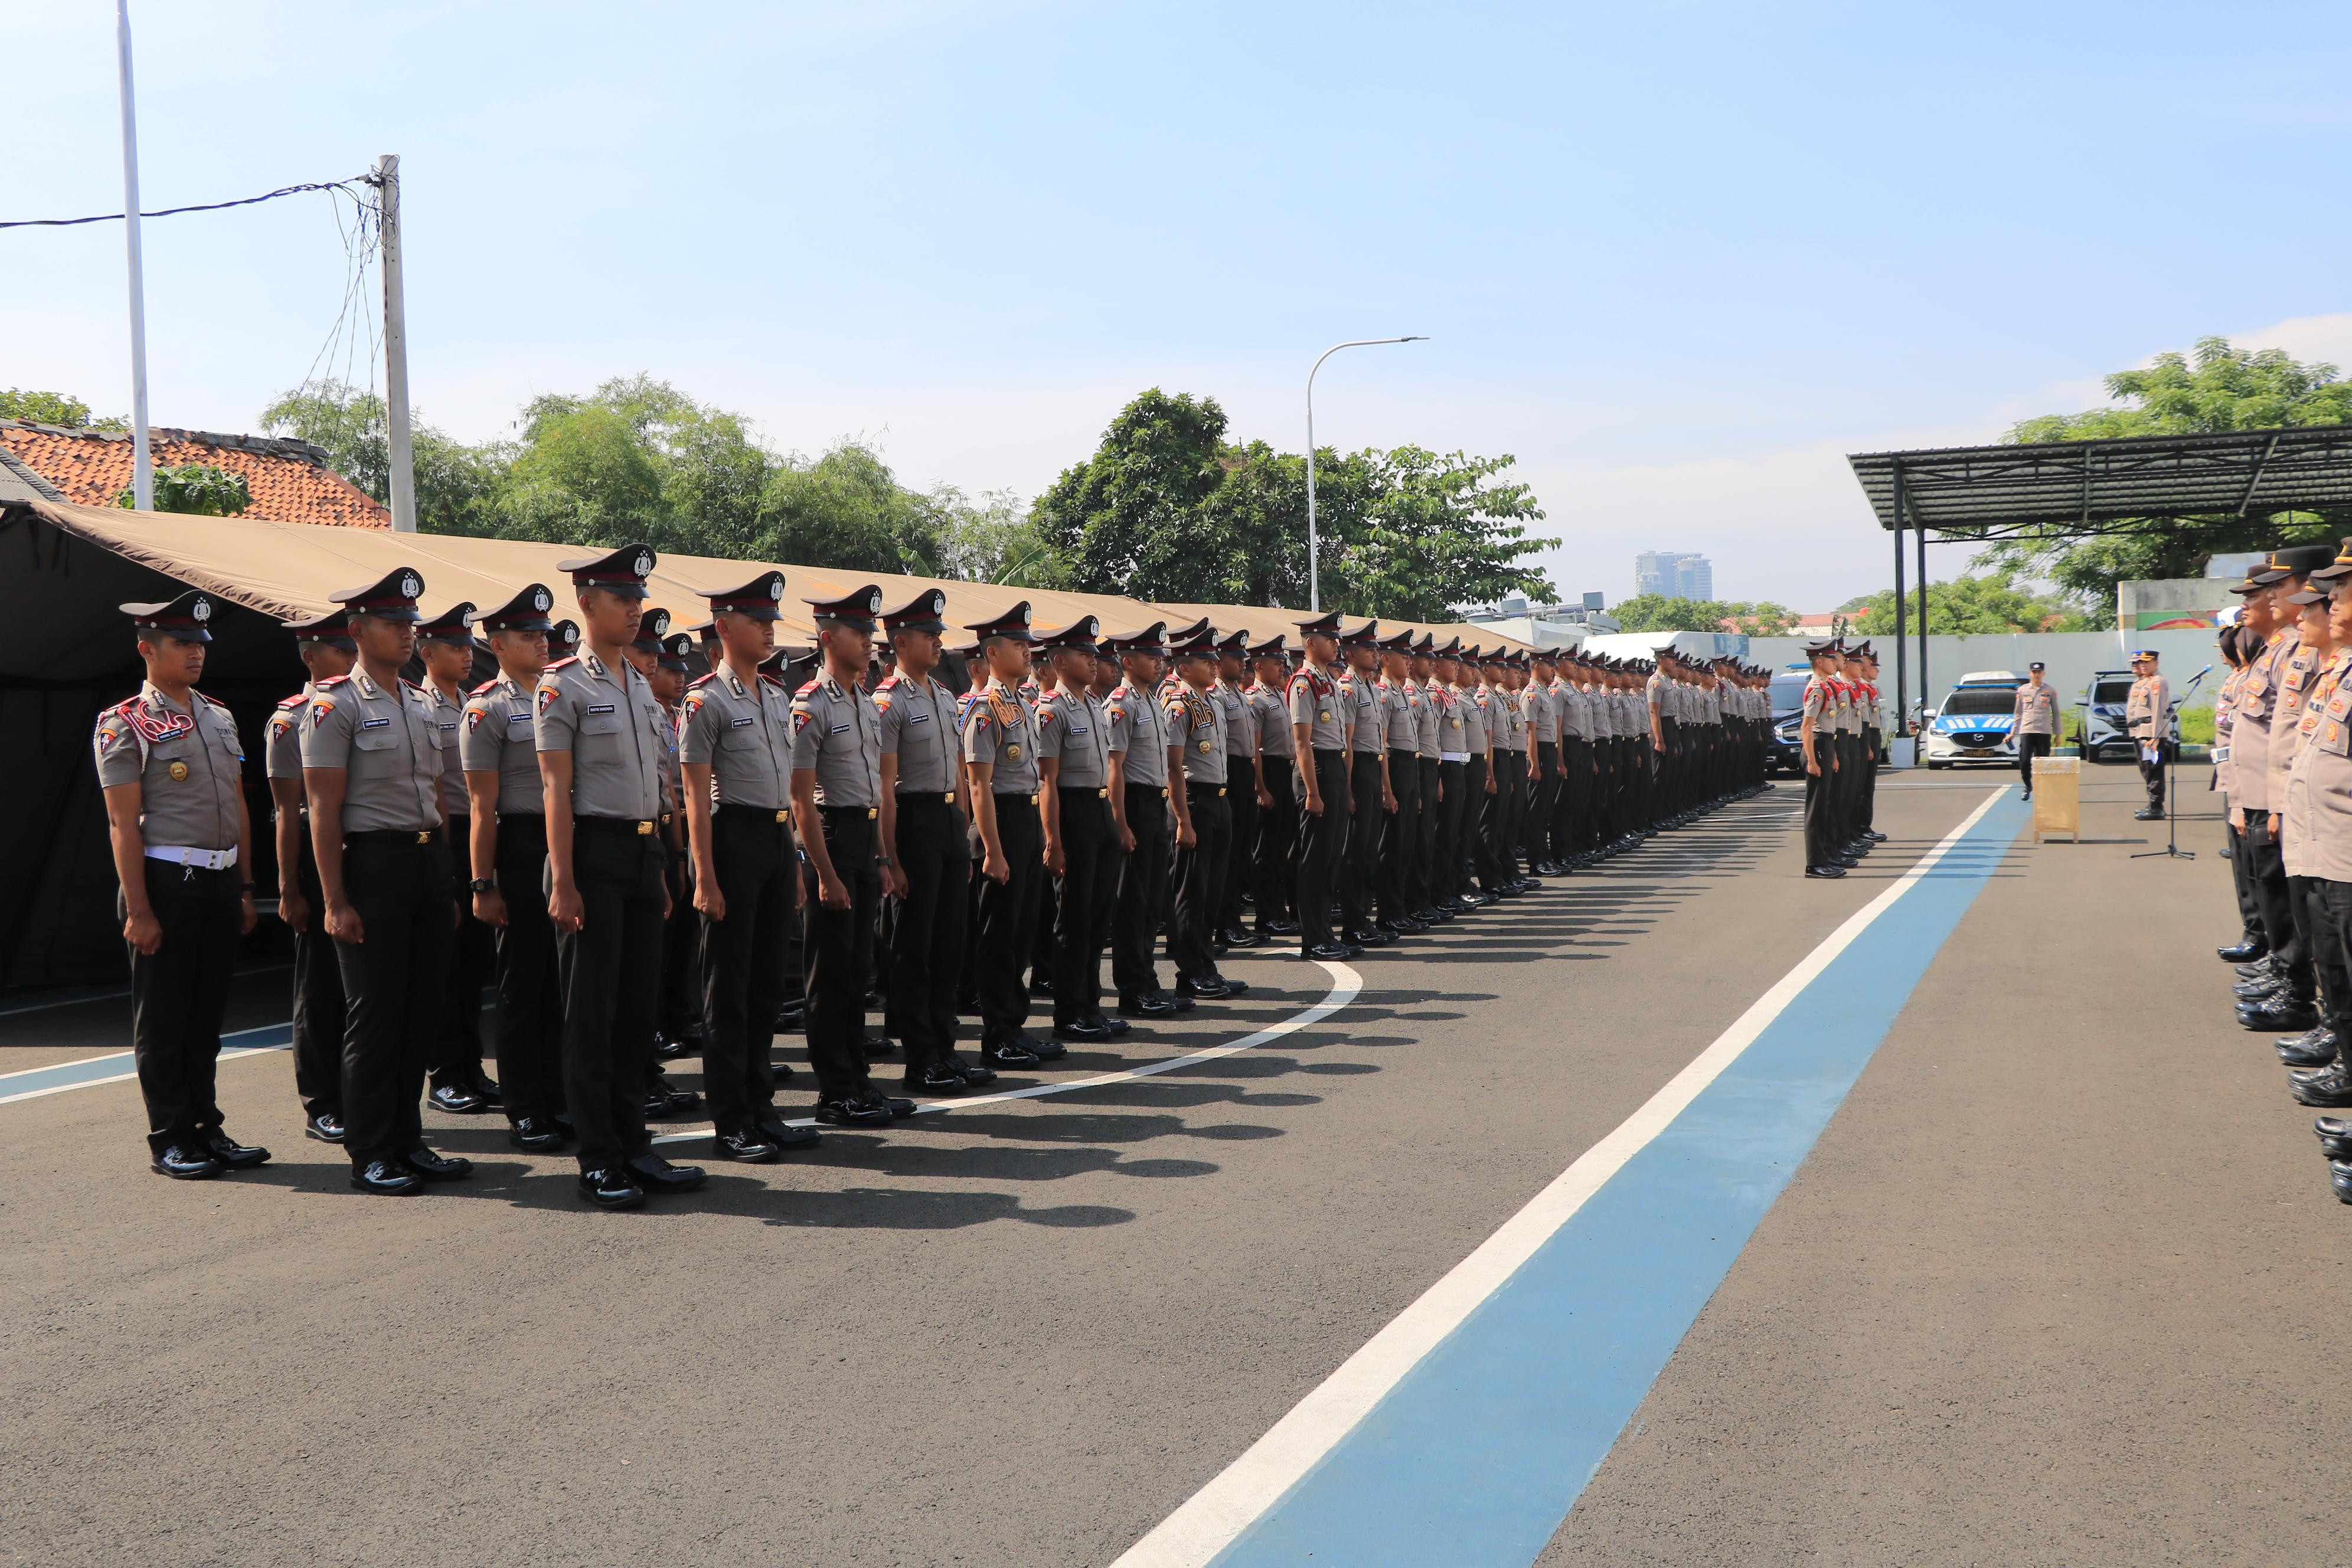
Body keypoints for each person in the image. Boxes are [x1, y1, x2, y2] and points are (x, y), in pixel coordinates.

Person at [536, 545, 708, 1210]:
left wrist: (661, 868)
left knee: (637, 1011)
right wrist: (563, 878)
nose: (635, 611)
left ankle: (636, 1144)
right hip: (592, 853)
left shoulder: (639, 684)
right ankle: (599, 1157)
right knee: (592, 1013)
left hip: (641, 857)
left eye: (638, 599)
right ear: (586, 604)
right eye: (622, 600)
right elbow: (556, 788)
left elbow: (659, 788)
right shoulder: (562, 686)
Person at [300, 569, 470, 1195]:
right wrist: (335, 898)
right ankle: (370, 1148)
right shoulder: (334, 705)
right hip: (371, 866)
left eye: (410, 624)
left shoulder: (424, 704)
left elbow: (439, 798)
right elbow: (322, 808)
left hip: (426, 864)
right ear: (356, 630)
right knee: (374, 1016)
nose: (407, 633)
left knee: (421, 1011)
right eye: (393, 624)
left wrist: (448, 880)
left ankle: (408, 1138)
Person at [94, 590, 266, 1180]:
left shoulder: (217, 714)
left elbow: (239, 804)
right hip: (166, 879)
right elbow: (122, 821)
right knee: (164, 1018)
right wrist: (139, 907)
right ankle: (170, 1136)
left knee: (205, 1015)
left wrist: (246, 887)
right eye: (183, 643)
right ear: (148, 649)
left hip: (219, 879)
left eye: (200, 643)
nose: (196, 653)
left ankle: (206, 1127)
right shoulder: (125, 722)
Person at [678, 571, 819, 1161]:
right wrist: (705, 875)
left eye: (771, 620)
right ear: (725, 626)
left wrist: (793, 861)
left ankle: (762, 1108)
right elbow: (694, 796)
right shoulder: (703, 699)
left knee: (765, 986)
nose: (768, 630)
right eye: (758, 620)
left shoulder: (778, 696)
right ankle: (731, 1119)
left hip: (773, 839)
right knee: (727, 990)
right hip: (731, 839)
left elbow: (787, 795)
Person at [791, 584, 920, 1122]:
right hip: (832, 837)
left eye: (872, 632)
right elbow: (800, 797)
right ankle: (834, 1089)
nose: (871, 640)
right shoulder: (809, 704)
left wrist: (884, 860)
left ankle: (857, 1080)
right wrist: (823, 871)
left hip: (864, 839)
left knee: (857, 966)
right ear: (828, 638)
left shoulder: (864, 704)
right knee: (830, 970)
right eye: (860, 632)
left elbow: (877, 790)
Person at [459, 583, 570, 1153]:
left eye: (544, 634)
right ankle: (526, 1106)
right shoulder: (487, 709)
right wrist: (484, 883)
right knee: (524, 986)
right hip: (522, 847)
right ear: (497, 645)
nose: (541, 643)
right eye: (529, 636)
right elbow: (481, 805)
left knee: (561, 985)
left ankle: (558, 1096)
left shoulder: (562, 695)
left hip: (569, 846)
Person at [874, 588, 995, 1094]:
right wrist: (890, 858)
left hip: (947, 824)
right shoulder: (888, 701)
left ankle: (946, 1050)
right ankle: (920, 1057)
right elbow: (885, 787)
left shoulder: (944, 697)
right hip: (913, 824)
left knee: (949, 945)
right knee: (914, 948)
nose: (938, 643)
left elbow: (963, 779)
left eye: (939, 635)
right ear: (901, 642)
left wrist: (966, 837)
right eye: (929, 636)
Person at [2228, 547, 2334, 1033]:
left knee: (2309, 915)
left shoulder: (2311, 651)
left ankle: (2300, 996)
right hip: (2273, 800)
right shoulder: (2280, 650)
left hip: (2306, 812)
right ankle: (2290, 983)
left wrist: (2278, 804)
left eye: (2276, 587)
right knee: (2285, 901)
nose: (2266, 598)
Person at [267, 609, 354, 1145]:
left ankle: (364, 1094)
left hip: (363, 851)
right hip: (313, 856)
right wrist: (290, 888)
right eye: (340, 651)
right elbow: (285, 811)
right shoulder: (292, 718)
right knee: (321, 988)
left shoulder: (373, 701)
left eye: (353, 648)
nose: (350, 659)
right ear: (310, 657)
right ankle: (322, 1102)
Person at [414, 600, 501, 1118]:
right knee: (444, 968)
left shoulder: (472, 702)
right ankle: (444, 1074)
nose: (467, 655)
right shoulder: (423, 707)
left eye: (469, 646)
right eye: (454, 646)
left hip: (481, 833)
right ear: (426, 653)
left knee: (472, 967)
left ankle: (470, 1068)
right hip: (448, 834)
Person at [961, 603, 1051, 1066]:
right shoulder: (983, 708)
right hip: (1000, 823)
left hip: (1027, 820)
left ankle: (1014, 1026)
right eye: (1018, 646)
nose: (1028, 651)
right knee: (998, 935)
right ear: (992, 654)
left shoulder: (1022, 703)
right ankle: (997, 1035)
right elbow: (978, 784)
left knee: (1021, 930)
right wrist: (993, 851)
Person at [1035, 615, 1127, 1043]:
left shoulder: (1093, 705)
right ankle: (1069, 1010)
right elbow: (1047, 781)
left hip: (1099, 809)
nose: (1094, 661)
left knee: (1099, 917)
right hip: (1072, 814)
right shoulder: (1051, 710)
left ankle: (1091, 1004)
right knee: (1072, 917)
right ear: (1058, 660)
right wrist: (1052, 841)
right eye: (1083, 654)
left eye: (1095, 654)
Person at [1105, 622, 1188, 1017]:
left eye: (1160, 657)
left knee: (1153, 900)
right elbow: (1114, 769)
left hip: (1155, 804)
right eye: (1150, 657)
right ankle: (1132, 988)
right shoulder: (1121, 704)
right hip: (1134, 805)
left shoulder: (1153, 700)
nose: (1158, 663)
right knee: (1133, 903)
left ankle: (1148, 980)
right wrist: (1120, 823)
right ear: (1127, 661)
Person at [1167, 625, 1250, 998]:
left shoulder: (1213, 703)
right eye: (1206, 660)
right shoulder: (1178, 706)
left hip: (1220, 798)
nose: (1215, 666)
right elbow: (1173, 767)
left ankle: (1207, 965)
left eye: (1215, 659)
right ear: (1185, 668)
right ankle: (1190, 972)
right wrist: (1183, 819)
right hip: (1194, 802)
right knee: (1192, 890)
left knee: (1213, 889)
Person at [1290, 611, 1357, 961]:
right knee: (1314, 860)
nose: (1336, 645)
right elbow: (1302, 742)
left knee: (1332, 857)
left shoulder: (1328, 681)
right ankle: (1312, 939)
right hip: (1315, 769)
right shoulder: (1303, 682)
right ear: (1311, 643)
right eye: (1330, 640)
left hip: (1332, 767)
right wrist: (1313, 793)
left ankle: (1326, 935)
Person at [1333, 620, 1394, 948]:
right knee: (1355, 852)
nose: (1376, 654)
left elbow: (1380, 744)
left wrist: (1385, 786)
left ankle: (1365, 919)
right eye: (1369, 650)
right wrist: (1348, 788)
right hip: (1356, 771)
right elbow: (1347, 742)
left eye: (1376, 649)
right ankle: (1353, 923)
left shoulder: (1371, 687)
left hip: (1373, 768)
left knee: (1369, 849)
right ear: (1351, 653)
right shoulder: (1348, 688)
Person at [1246, 638, 1300, 938]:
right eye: (1276, 664)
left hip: (1285, 773)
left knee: (1282, 847)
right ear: (1259, 667)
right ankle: (1266, 915)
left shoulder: (1280, 695)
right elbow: (1255, 749)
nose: (1283, 668)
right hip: (1268, 772)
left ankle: (1279, 910)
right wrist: (1260, 787)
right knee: (1266, 850)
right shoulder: (1256, 699)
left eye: (1283, 663)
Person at [1374, 629, 1426, 934]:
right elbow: (1382, 745)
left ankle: (1402, 906)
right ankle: (1389, 912)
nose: (1409, 661)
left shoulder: (1400, 693)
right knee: (1391, 845)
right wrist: (1387, 788)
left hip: (1409, 766)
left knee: (1406, 843)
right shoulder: (1383, 693)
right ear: (1386, 659)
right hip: (1392, 767)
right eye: (1402, 657)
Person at [1213, 631, 1262, 950]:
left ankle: (1234, 921)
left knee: (1241, 851)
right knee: (1226, 858)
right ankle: (1225, 924)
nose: (1243, 663)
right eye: (1235, 658)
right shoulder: (1215, 696)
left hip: (1244, 773)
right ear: (1219, 663)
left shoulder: (1238, 695)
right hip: (1227, 775)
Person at [2126, 648, 2171, 821]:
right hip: (2141, 733)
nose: (2142, 666)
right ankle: (2153, 803)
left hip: (2151, 734)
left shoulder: (2157, 683)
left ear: (2156, 663)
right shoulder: (2144, 682)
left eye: (2146, 662)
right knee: (2146, 769)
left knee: (2154, 769)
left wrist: (2155, 736)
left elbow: (2157, 711)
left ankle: (2157, 807)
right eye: (2141, 663)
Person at [2013, 661, 2060, 799]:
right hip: (2027, 730)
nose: (2036, 675)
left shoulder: (2050, 691)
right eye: (2034, 672)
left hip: (2043, 732)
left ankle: (2043, 790)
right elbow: (2017, 713)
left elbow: (2056, 713)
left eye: (2039, 672)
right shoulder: (2022, 691)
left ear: (2044, 674)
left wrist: (2058, 734)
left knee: (2043, 762)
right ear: (2030, 673)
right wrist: (2013, 732)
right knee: (2025, 760)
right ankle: (2027, 785)